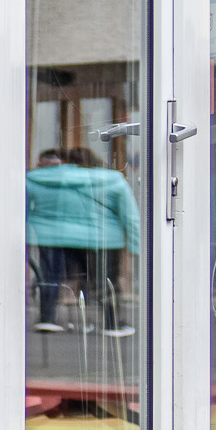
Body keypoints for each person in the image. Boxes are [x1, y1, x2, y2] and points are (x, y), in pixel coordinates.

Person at [26, 143, 139, 335]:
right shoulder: (113, 181)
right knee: (105, 279)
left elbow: (23, 209)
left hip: (52, 236)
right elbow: (129, 216)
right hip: (102, 238)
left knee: (50, 277)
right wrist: (136, 245)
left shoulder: (37, 179)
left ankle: (47, 318)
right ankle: (112, 323)